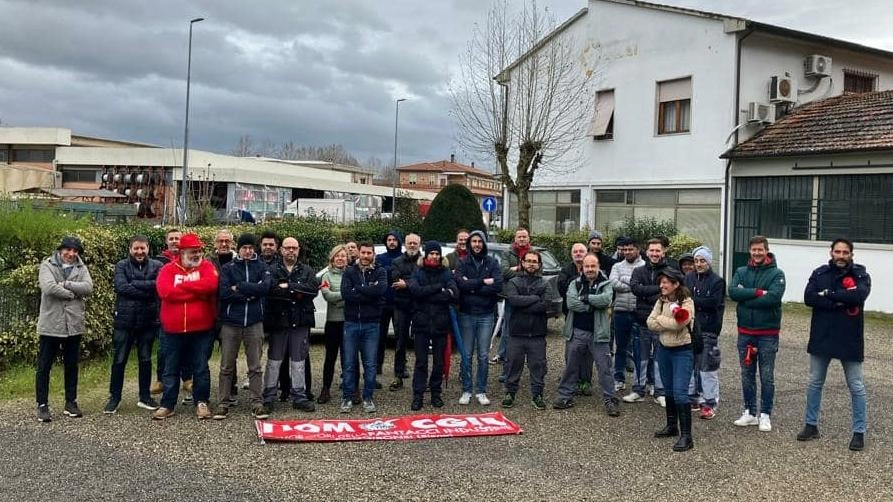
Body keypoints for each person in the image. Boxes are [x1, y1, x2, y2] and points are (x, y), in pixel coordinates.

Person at [799, 238, 871, 451]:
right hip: (822, 335)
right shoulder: (820, 273)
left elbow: (859, 296)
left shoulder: (861, 275)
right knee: (814, 383)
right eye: (837, 251)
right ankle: (811, 425)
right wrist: (841, 301)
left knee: (856, 386)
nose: (841, 256)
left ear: (851, 255)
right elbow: (809, 297)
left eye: (845, 252)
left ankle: (859, 432)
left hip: (850, 338)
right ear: (831, 252)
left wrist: (829, 295)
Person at [153, 233, 218, 420]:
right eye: (192, 251)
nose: (197, 254)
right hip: (172, 330)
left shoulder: (207, 266)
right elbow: (165, 292)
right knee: (170, 368)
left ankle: (202, 402)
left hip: (201, 329)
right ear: (182, 252)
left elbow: (211, 285)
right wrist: (196, 290)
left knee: (200, 367)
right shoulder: (167, 269)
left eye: (199, 251)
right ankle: (167, 404)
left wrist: (182, 289)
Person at [728, 235, 786, 432]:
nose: (757, 253)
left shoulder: (777, 274)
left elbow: (773, 298)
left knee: (767, 376)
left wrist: (747, 295)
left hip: (767, 334)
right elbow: (733, 292)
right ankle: (750, 412)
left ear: (766, 250)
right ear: (750, 251)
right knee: (747, 374)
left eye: (760, 249)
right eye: (754, 250)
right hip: (745, 332)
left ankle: (765, 414)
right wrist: (759, 292)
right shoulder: (741, 271)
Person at [35, 236, 94, 422]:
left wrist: (67, 284)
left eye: (75, 251)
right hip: (51, 325)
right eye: (68, 250)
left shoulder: (81, 267)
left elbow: (88, 287)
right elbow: (48, 287)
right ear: (61, 250)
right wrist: (70, 294)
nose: (71, 254)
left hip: (73, 325)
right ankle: (42, 405)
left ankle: (71, 402)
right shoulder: (47, 265)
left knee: (71, 366)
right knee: (44, 366)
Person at [214, 233, 272, 420]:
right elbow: (224, 293)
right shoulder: (229, 267)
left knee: (255, 366)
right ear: (238, 249)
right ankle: (223, 402)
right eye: (244, 247)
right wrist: (249, 292)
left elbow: (264, 289)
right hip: (231, 323)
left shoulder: (262, 266)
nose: (247, 251)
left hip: (254, 322)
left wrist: (239, 286)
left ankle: (257, 402)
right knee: (226, 366)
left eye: (250, 248)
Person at [104, 235, 163, 414]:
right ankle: (114, 397)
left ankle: (145, 396)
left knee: (145, 359)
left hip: (148, 320)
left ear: (148, 248)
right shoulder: (122, 265)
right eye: (136, 248)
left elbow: (159, 286)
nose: (139, 252)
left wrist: (135, 284)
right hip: (125, 321)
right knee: (119, 359)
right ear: (130, 249)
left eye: (142, 248)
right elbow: (121, 287)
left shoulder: (157, 266)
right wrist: (147, 291)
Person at [553, 254, 618, 416]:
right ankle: (564, 395)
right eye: (587, 266)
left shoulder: (607, 283)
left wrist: (586, 298)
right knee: (571, 366)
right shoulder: (574, 283)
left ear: (598, 267)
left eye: (593, 266)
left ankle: (610, 399)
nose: (590, 269)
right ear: (582, 267)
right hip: (577, 331)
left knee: (605, 368)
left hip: (599, 333)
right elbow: (571, 303)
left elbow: (606, 300)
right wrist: (590, 306)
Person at [262, 236, 319, 413]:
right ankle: (269, 396)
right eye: (288, 248)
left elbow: (312, 290)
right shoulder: (271, 270)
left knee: (298, 361)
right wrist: (294, 290)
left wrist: (289, 287)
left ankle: (299, 396)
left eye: (294, 248)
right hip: (279, 322)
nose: (291, 251)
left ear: (299, 250)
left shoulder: (307, 270)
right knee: (274, 360)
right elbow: (271, 290)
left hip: (300, 321)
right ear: (281, 250)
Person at [501, 250, 558, 410]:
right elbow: (513, 300)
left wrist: (524, 303)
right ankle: (510, 393)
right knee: (513, 365)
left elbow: (545, 305)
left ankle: (537, 395)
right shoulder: (514, 282)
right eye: (529, 261)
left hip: (537, 334)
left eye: (535, 261)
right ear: (523, 263)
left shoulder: (545, 283)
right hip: (516, 333)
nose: (531, 264)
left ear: (539, 265)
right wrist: (534, 299)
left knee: (538, 366)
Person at [648, 267, 696, 452]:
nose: (662, 285)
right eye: (661, 282)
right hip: (664, 350)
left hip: (683, 351)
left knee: (680, 392)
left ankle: (687, 436)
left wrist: (661, 320)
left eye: (665, 282)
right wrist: (663, 321)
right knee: (668, 390)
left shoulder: (687, 302)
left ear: (676, 284)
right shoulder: (661, 301)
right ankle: (671, 426)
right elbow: (649, 322)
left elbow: (680, 324)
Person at [408, 241, 458, 410]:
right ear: (426, 254)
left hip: (440, 324)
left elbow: (453, 294)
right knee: (421, 362)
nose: (435, 256)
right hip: (421, 324)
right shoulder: (418, 272)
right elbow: (415, 291)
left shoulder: (446, 273)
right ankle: (418, 395)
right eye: (432, 253)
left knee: (438, 362)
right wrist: (438, 288)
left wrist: (428, 293)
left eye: (437, 254)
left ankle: (436, 393)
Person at [455, 230, 503, 406]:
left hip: (486, 315)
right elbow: (461, 284)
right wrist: (483, 281)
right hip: (466, 314)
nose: (476, 244)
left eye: (479, 241)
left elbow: (497, 284)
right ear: (469, 244)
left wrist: (472, 285)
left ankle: (481, 390)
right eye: (473, 241)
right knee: (466, 355)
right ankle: (467, 390)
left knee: (483, 355)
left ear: (484, 243)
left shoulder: (492, 262)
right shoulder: (462, 262)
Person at [340, 241, 388, 413]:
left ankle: (368, 398)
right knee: (349, 363)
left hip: (371, 324)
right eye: (363, 252)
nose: (366, 256)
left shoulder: (380, 271)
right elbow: (346, 294)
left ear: (373, 254)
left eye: (369, 253)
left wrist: (358, 289)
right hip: (351, 322)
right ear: (358, 253)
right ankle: (347, 397)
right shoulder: (349, 271)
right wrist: (368, 289)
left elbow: (380, 291)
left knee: (370, 363)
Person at [625, 238, 669, 406]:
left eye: (658, 251)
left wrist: (647, 292)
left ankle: (660, 391)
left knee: (660, 358)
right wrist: (658, 290)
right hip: (641, 321)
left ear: (663, 252)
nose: (655, 254)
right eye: (652, 250)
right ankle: (638, 390)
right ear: (647, 252)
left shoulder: (669, 272)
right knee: (640, 357)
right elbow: (636, 289)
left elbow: (670, 290)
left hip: (661, 321)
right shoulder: (638, 271)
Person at [684, 246, 725, 420]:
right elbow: (683, 298)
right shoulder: (688, 278)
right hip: (690, 328)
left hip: (708, 329)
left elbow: (713, 303)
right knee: (690, 365)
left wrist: (693, 301)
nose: (699, 264)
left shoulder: (717, 281)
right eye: (696, 261)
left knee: (707, 368)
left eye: (702, 261)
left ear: (708, 261)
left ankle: (709, 402)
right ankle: (693, 397)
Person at [151, 228, 185, 396]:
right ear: (166, 241)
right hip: (165, 310)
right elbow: (156, 285)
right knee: (164, 349)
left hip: (186, 312)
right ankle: (161, 379)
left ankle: (187, 379)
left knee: (187, 347)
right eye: (171, 238)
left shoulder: (189, 260)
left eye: (177, 238)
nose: (174, 241)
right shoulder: (159, 261)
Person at [494, 227, 532, 373]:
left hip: (528, 296)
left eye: (524, 236)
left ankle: (526, 357)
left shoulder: (533, 253)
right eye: (519, 237)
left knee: (528, 328)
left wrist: (515, 271)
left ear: (529, 238)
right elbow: (503, 271)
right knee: (508, 327)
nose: (522, 239)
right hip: (511, 295)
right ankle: (503, 355)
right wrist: (520, 268)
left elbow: (537, 271)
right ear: (515, 239)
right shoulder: (507, 252)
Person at [609, 237, 644, 392]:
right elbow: (613, 283)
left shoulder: (645, 266)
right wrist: (634, 285)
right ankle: (618, 378)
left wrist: (626, 281)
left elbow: (645, 287)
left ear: (638, 249)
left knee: (641, 349)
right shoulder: (616, 266)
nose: (627, 252)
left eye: (631, 249)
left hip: (639, 313)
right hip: (621, 312)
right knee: (621, 348)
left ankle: (641, 382)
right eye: (625, 250)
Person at [557, 242, 593, 396]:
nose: (578, 254)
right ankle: (572, 379)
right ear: (572, 254)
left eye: (581, 251)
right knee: (572, 350)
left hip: (591, 317)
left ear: (587, 252)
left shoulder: (593, 268)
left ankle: (585, 380)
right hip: (571, 315)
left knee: (588, 352)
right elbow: (563, 288)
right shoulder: (566, 270)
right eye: (575, 251)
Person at [388, 233, 421, 391]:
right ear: (405, 244)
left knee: (420, 343)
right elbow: (395, 280)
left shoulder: (424, 262)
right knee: (400, 342)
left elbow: (424, 281)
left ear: (419, 244)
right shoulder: (396, 262)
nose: (412, 245)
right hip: (401, 307)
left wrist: (407, 284)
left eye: (415, 243)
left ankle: (421, 377)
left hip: (420, 307)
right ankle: (398, 375)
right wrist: (414, 284)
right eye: (410, 243)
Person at [318, 245, 350, 404]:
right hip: (332, 323)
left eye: (343, 256)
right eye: (337, 256)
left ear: (347, 258)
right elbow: (327, 296)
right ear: (332, 258)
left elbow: (356, 293)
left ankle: (352, 388)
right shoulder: (326, 276)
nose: (340, 258)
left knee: (349, 358)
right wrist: (345, 297)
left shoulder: (352, 274)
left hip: (349, 322)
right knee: (330, 358)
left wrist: (340, 299)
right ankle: (325, 389)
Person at [376, 230, 403, 380]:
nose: (391, 242)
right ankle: (377, 364)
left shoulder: (403, 258)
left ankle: (400, 367)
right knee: (380, 336)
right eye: (389, 240)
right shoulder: (380, 258)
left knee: (400, 337)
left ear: (399, 241)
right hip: (382, 303)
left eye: (394, 239)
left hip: (399, 303)